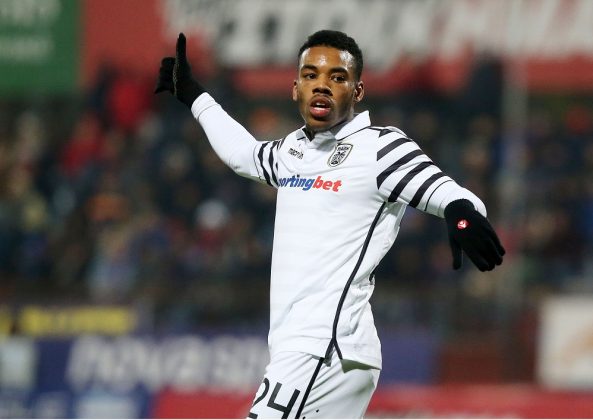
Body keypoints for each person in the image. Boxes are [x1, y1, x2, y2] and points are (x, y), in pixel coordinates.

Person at [155, 30, 505, 419]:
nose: (322, 85)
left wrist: (462, 216)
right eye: (311, 75)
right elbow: (243, 154)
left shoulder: (380, 147)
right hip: (318, 350)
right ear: (295, 88)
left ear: (357, 91)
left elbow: (451, 195)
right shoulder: (293, 150)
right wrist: (194, 95)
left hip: (325, 346)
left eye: (337, 77)